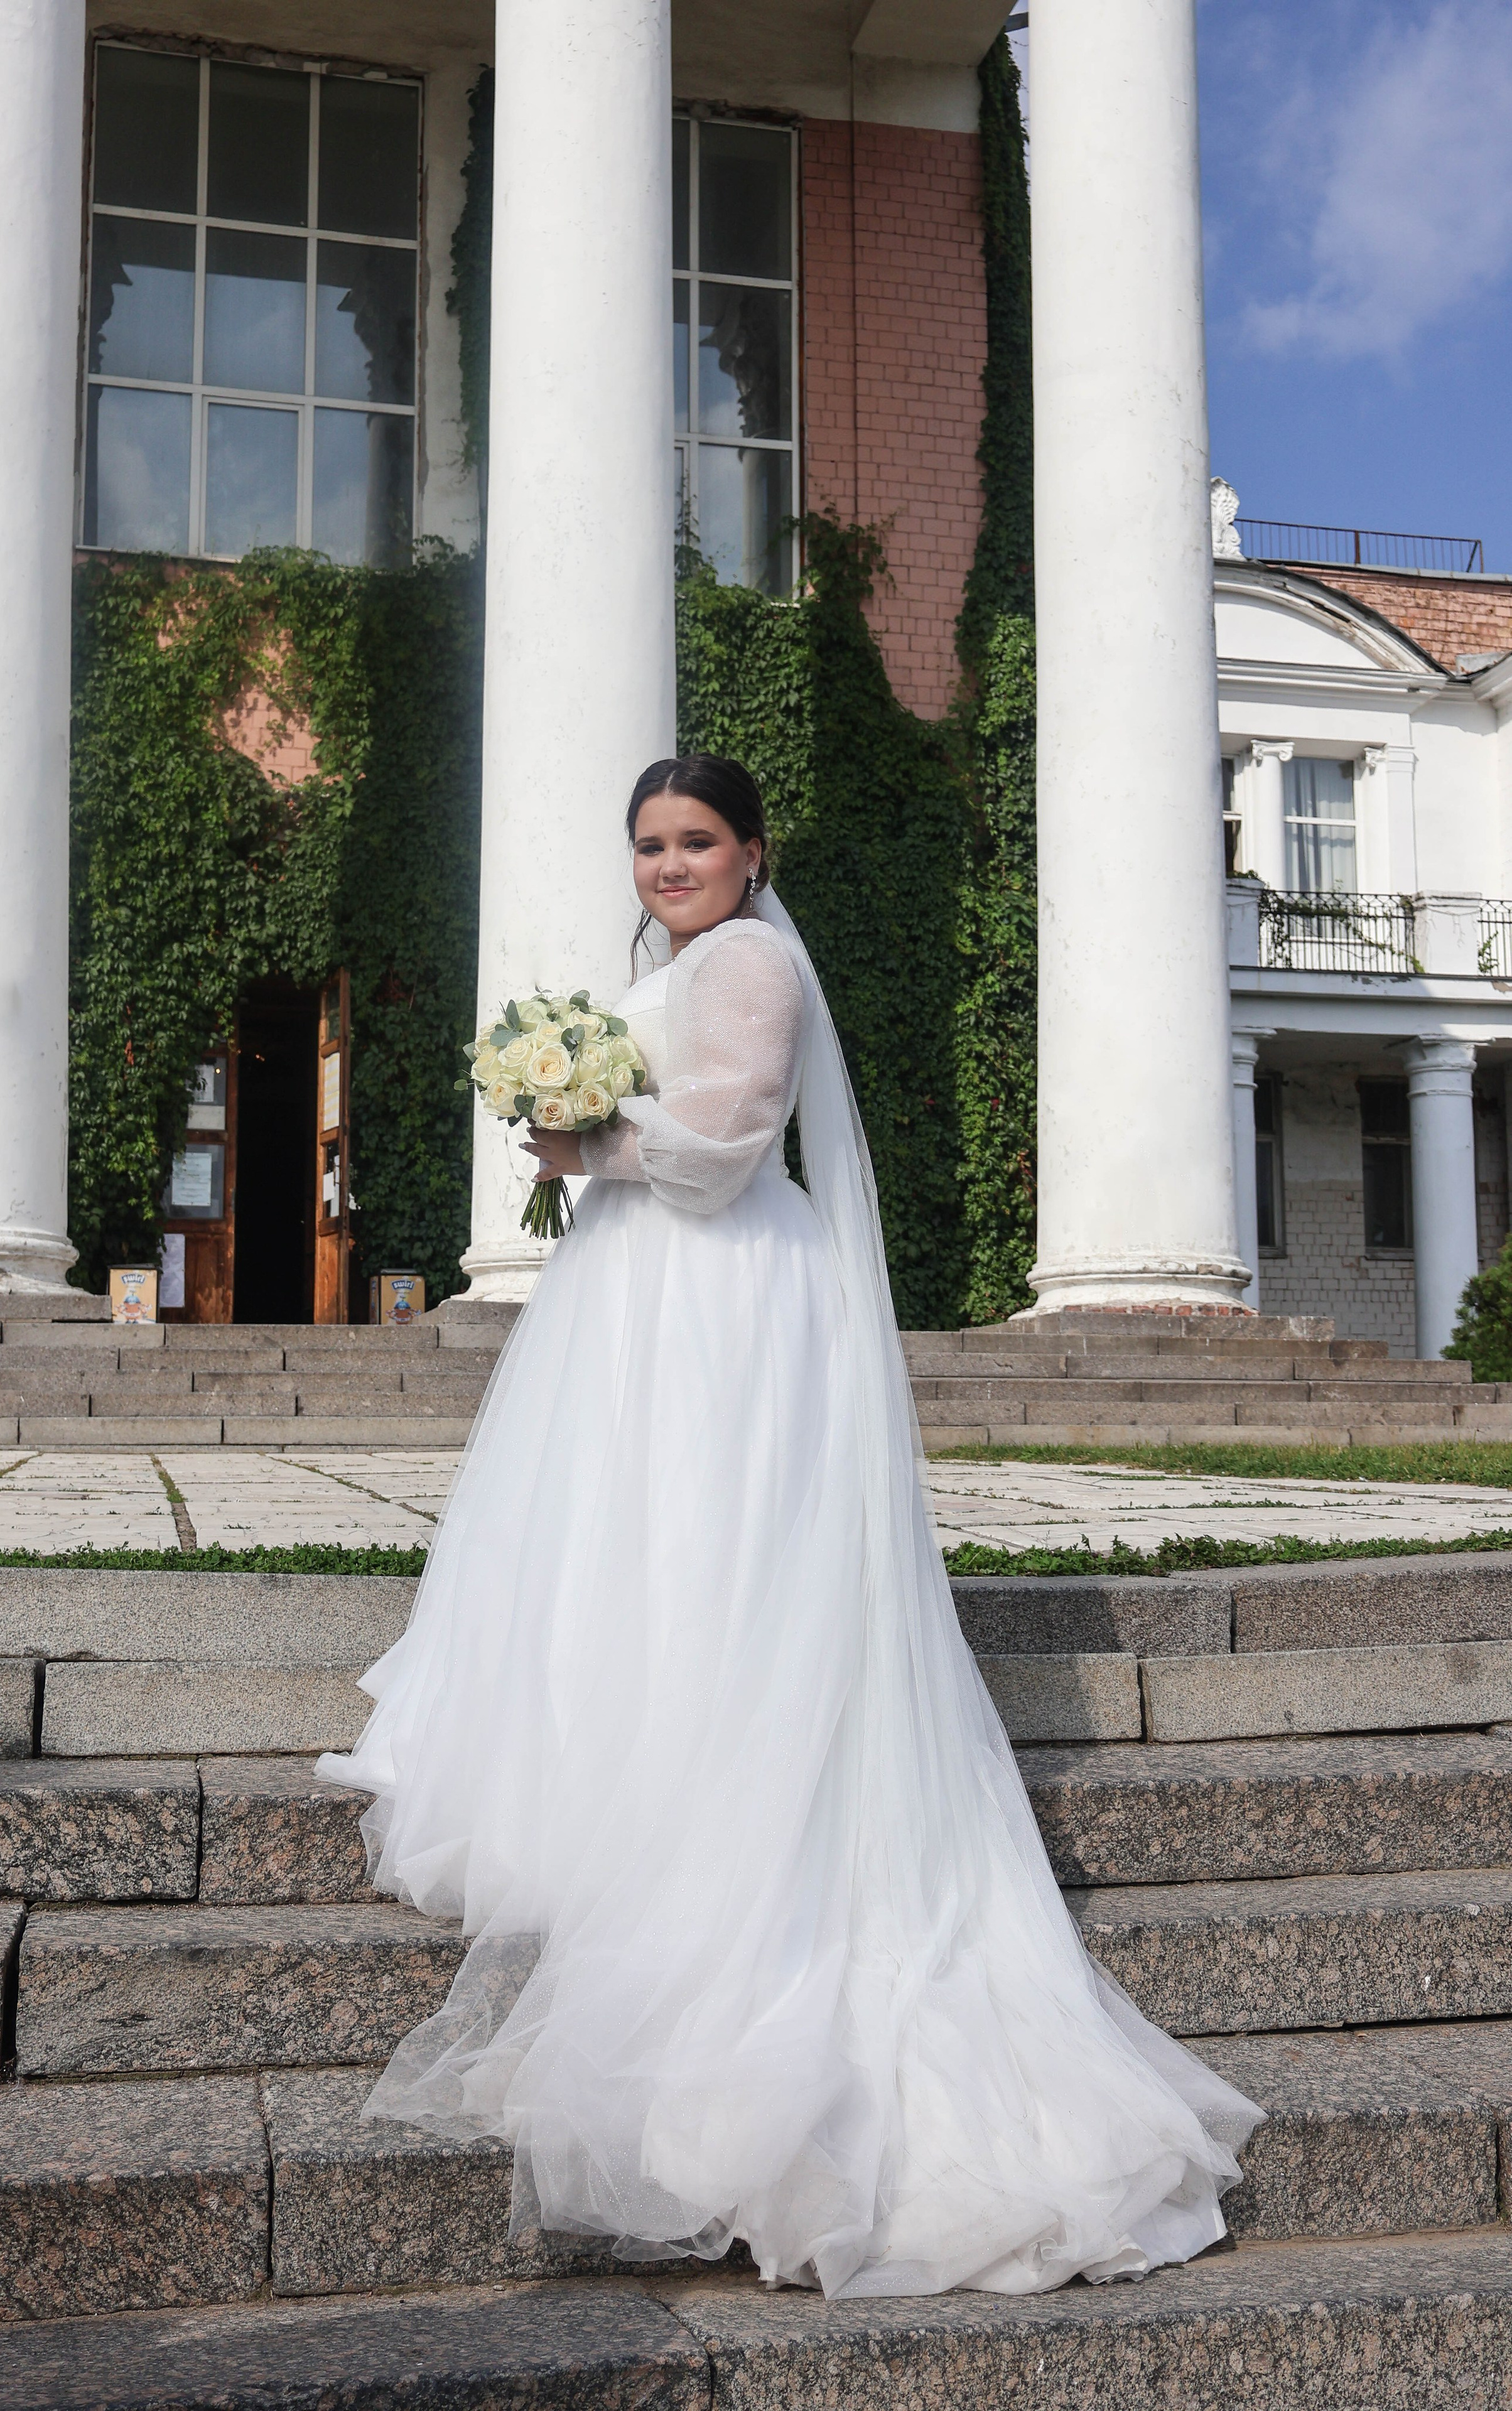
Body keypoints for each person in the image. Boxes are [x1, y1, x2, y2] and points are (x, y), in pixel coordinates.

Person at [317, 752, 1260, 2297]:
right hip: (646, 1290)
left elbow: (720, 1153)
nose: (667, 866)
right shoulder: (684, 962)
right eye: (648, 845)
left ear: (752, 854)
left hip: (718, 1292)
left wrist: (583, 1145)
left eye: (693, 842)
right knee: (645, 1538)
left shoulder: (747, 962)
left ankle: (711, 1809)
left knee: (704, 1538)